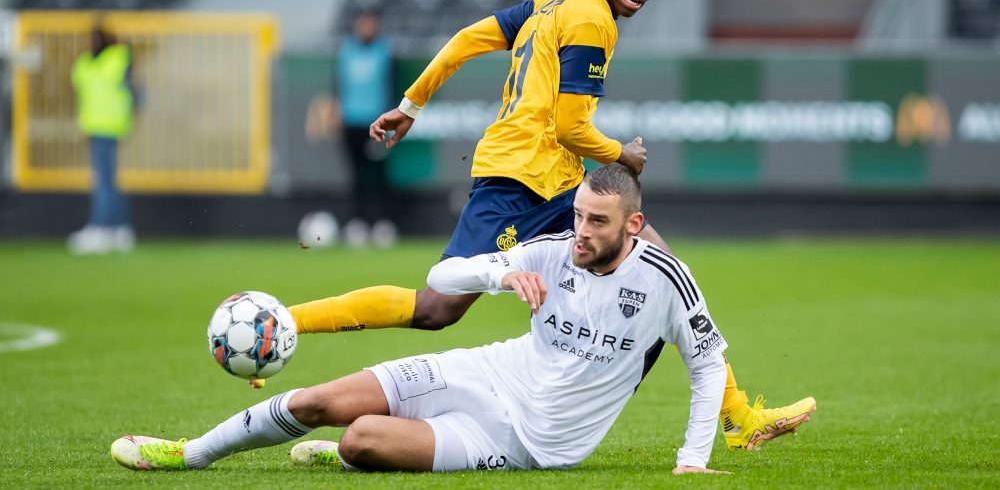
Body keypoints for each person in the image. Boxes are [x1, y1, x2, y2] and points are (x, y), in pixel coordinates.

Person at [288, 0, 815, 451]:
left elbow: (469, 38)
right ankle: (288, 321)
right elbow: (570, 125)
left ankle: (734, 414)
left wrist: (411, 103)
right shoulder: (592, 20)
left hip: (556, 183)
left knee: (665, 269)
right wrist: (623, 155)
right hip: (519, 182)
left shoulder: (551, 2)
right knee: (437, 308)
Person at [111, 165, 814, 473]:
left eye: (596, 222)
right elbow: (441, 279)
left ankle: (350, 454)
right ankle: (190, 451)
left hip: (525, 438)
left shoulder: (665, 279)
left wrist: (693, 461)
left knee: (358, 441)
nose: (580, 231)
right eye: (576, 215)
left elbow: (707, 361)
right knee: (323, 400)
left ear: (634, 224)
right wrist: (498, 270)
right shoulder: (551, 251)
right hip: (484, 369)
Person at [67, 22, 136, 255]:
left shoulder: (115, 59)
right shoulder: (88, 62)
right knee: (108, 181)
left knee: (103, 182)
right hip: (95, 126)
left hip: (109, 125)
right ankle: (119, 228)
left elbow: (130, 80)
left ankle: (101, 227)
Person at [334, 9, 397, 247]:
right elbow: (338, 85)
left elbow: (391, 86)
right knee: (356, 175)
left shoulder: (384, 51)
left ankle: (381, 223)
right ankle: (357, 222)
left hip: (376, 122)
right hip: (351, 122)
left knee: (379, 175)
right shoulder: (347, 51)